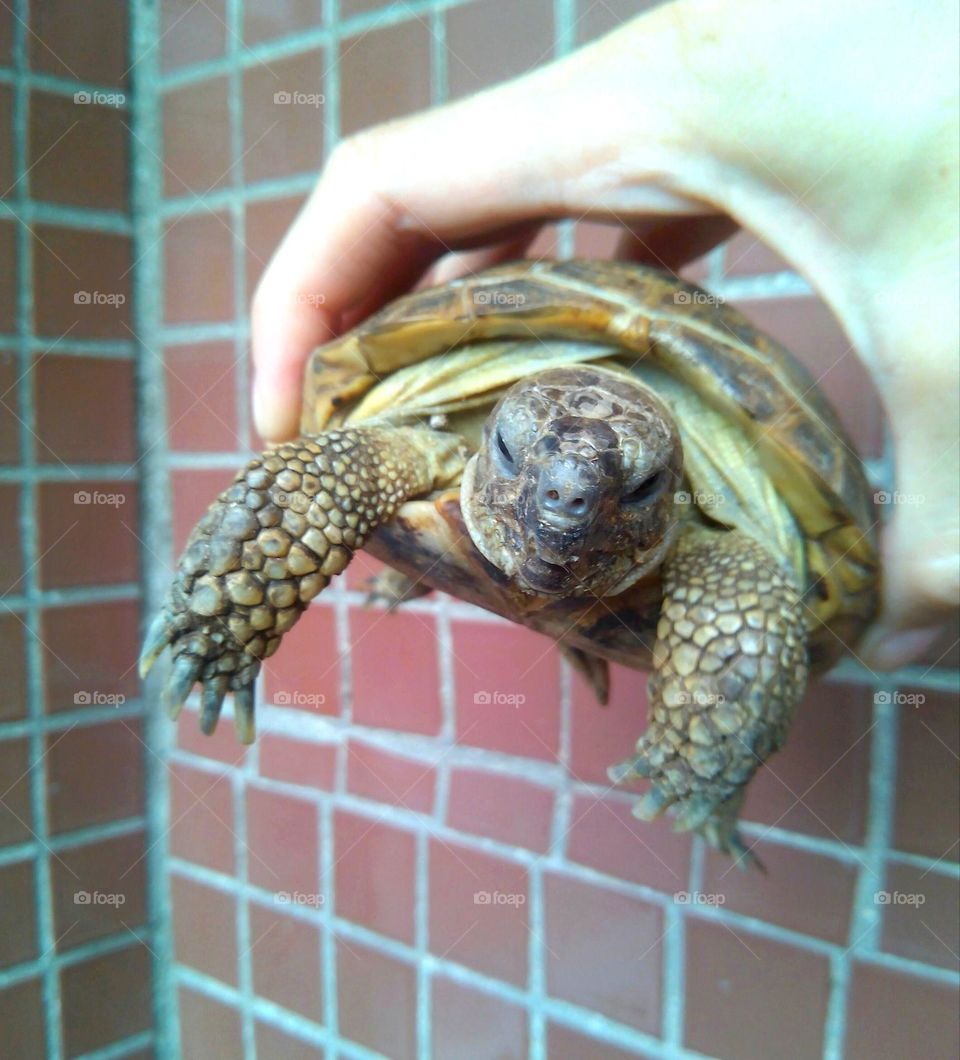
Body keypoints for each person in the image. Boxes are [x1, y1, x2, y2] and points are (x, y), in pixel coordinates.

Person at [249, 0, 959, 671]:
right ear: (491, 428)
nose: (567, 495)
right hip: (439, 440)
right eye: (506, 447)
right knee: (313, 485)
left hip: (718, 555)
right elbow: (306, 482)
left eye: (644, 485)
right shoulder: (394, 448)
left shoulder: (726, 563)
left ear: (672, 481)